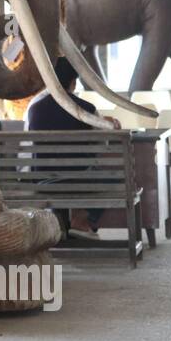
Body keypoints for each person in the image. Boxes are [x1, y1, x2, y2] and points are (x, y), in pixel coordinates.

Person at [25, 57, 117, 235]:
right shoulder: (86, 109)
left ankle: (62, 221)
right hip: (80, 180)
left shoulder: (34, 109)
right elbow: (102, 143)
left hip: (43, 181)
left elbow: (28, 143)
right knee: (115, 179)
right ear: (74, 83)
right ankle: (81, 219)